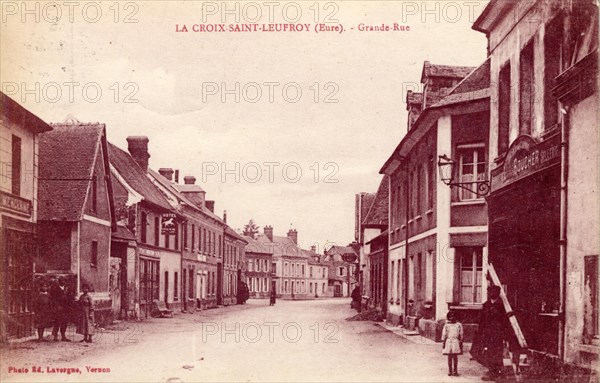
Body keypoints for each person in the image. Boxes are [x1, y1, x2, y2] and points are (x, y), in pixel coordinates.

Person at [472, 285, 509, 381]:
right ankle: (491, 371)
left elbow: (505, 321)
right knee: (487, 352)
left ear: (498, 293)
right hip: (487, 332)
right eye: (490, 291)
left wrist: (504, 333)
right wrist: (480, 332)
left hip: (497, 333)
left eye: (494, 291)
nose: (492, 293)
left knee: (497, 352)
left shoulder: (502, 305)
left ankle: (497, 373)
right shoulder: (486, 305)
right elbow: (482, 320)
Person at [50, 277, 73, 341]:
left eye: (64, 281)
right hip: (59, 308)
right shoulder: (55, 289)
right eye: (62, 281)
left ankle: (63, 336)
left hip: (66, 308)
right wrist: (57, 306)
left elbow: (70, 297)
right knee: (57, 321)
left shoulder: (67, 289)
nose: (63, 282)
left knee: (65, 322)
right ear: (59, 282)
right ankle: (55, 336)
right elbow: (53, 299)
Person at [442, 310, 463, 377]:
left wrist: (461, 342)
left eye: (454, 316)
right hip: (448, 341)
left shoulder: (459, 325)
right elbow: (444, 334)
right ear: (448, 317)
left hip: (455, 341)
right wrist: (443, 342)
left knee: (455, 356)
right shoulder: (446, 325)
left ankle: (455, 370)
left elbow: (461, 334)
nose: (452, 318)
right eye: (450, 316)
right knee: (449, 356)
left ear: (456, 317)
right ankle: (450, 370)